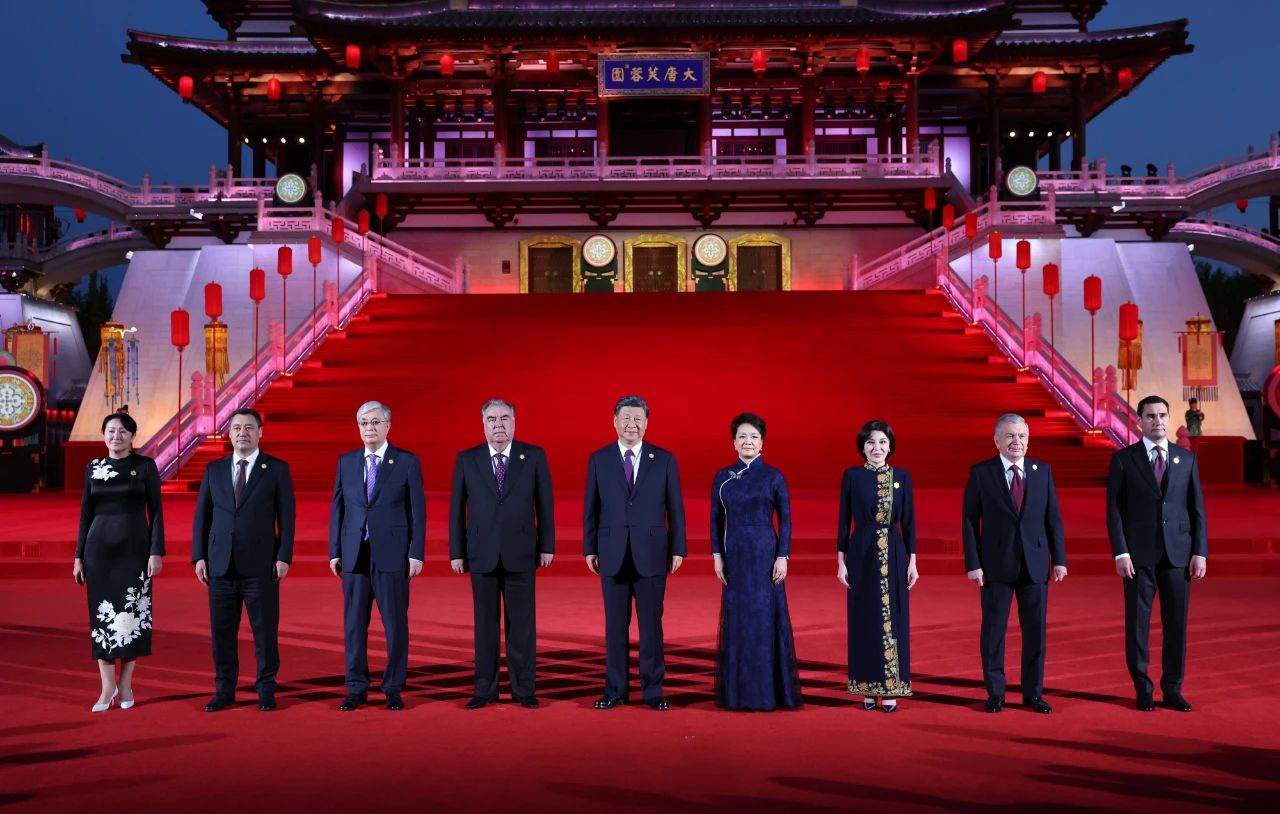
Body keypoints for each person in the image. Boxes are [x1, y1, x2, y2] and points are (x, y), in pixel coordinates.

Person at [449, 399, 555, 710]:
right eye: (492, 419)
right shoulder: (467, 459)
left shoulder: (533, 456)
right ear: (483, 424)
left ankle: (524, 689)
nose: (499, 424)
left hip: (521, 551)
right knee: (485, 626)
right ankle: (484, 690)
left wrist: (547, 545)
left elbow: (544, 503)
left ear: (514, 422)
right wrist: (457, 552)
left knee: (522, 625)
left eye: (504, 418)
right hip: (481, 552)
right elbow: (457, 508)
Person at [584, 395, 687, 711]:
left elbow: (675, 508)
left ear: (647, 423)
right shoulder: (599, 459)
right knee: (614, 627)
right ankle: (615, 690)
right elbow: (591, 508)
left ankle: (653, 691)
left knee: (651, 627)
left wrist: (678, 548)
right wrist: (590, 548)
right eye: (626, 418)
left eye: (638, 419)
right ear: (614, 421)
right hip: (611, 552)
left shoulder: (664, 459)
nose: (632, 424)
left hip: (652, 552)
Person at [191, 408, 296, 712]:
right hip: (220, 564)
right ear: (229, 433)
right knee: (222, 634)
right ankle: (224, 690)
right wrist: (199, 556)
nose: (242, 433)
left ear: (260, 432)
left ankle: (266, 689)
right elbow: (202, 516)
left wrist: (283, 556)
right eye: (237, 428)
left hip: (261, 565)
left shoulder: (276, 469)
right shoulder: (214, 469)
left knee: (264, 632)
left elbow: (287, 517)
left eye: (249, 428)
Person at [1107, 395, 1207, 712]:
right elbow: (1114, 511)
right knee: (1138, 625)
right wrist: (1121, 553)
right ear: (1139, 421)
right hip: (1138, 557)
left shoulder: (1186, 459)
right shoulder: (1123, 460)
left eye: (1162, 415)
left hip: (1178, 556)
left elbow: (1197, 509)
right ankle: (1143, 689)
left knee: (1176, 625)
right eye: (1150, 416)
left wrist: (1200, 552)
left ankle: (1173, 689)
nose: (1158, 421)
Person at [962, 414, 1066, 714]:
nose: (1016, 441)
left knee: (1036, 633)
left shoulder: (1042, 471)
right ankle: (996, 692)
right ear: (997, 440)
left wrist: (1059, 560)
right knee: (994, 633)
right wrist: (974, 563)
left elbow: (1053, 518)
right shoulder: (982, 473)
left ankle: (1033, 694)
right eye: (1009, 436)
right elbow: (970, 521)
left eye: (1022, 436)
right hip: (995, 566)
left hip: (1035, 565)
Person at [329, 400, 425, 711]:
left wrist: (416, 553)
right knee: (354, 626)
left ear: (387, 426)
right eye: (363, 423)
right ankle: (356, 688)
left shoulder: (406, 461)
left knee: (395, 625)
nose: (369, 428)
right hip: (354, 554)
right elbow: (338, 509)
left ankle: (393, 687)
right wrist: (335, 551)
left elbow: (417, 511)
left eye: (374, 422)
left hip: (393, 555)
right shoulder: (346, 462)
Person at [73, 412, 165, 712]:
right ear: (104, 435)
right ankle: (106, 687)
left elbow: (156, 511)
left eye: (123, 431)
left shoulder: (146, 466)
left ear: (132, 437)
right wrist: (78, 556)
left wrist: (156, 551)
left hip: (134, 550)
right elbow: (85, 514)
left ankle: (125, 684)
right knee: (102, 618)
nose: (116, 436)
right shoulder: (93, 468)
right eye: (111, 431)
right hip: (98, 551)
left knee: (131, 616)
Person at [710, 413, 801, 710]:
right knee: (739, 620)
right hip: (735, 556)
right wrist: (717, 557)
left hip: (765, 556)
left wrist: (783, 556)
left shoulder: (774, 477)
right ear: (733, 442)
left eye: (753, 437)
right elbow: (715, 520)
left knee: (764, 619)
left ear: (762, 443)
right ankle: (738, 694)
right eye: (742, 437)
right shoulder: (723, 477)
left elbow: (785, 520)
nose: (747, 442)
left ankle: (769, 693)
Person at [838, 419, 918, 713]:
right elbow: (843, 521)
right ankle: (867, 687)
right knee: (863, 618)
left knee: (894, 618)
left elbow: (909, 522)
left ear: (890, 446)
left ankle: (892, 687)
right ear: (862, 446)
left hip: (894, 552)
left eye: (883, 442)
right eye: (871, 442)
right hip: (861, 551)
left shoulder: (902, 477)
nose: (877, 448)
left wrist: (913, 562)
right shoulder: (852, 476)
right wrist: (841, 562)